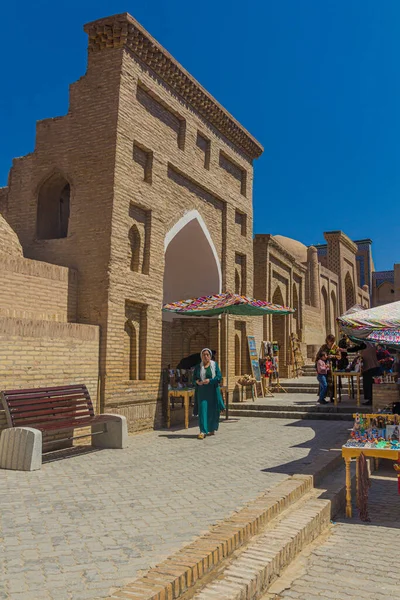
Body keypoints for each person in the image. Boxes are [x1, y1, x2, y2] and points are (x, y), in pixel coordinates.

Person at [193, 348, 225, 439]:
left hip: (213, 392)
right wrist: (197, 382)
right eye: (204, 355)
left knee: (212, 411)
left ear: (210, 356)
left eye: (207, 355)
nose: (205, 356)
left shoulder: (214, 366)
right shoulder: (198, 367)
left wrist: (210, 381)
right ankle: (202, 431)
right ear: (201, 356)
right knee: (202, 411)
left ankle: (211, 429)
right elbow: (193, 379)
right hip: (202, 392)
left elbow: (219, 377)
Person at [346, 341, 380, 406]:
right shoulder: (372, 343)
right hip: (375, 366)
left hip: (369, 367)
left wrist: (345, 350)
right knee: (372, 384)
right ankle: (373, 399)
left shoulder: (364, 344)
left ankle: (371, 400)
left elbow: (355, 348)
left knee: (368, 384)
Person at [316, 334, 341, 402]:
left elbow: (339, 357)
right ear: (327, 340)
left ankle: (332, 397)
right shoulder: (323, 347)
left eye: (333, 341)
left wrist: (333, 356)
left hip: (332, 368)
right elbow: (318, 356)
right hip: (324, 368)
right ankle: (322, 397)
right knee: (324, 383)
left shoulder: (336, 347)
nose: (332, 342)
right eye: (330, 341)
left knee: (332, 382)